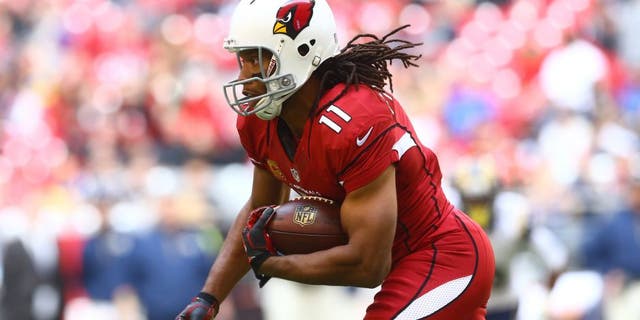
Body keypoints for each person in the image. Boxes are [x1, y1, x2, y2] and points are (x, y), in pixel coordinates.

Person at [177, 0, 495, 319]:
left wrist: (275, 265)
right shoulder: (260, 122)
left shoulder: (358, 120)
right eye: (240, 60)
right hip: (402, 264)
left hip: (444, 255)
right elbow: (258, 214)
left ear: (300, 52)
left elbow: (369, 265)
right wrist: (208, 298)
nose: (244, 77)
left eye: (255, 60)